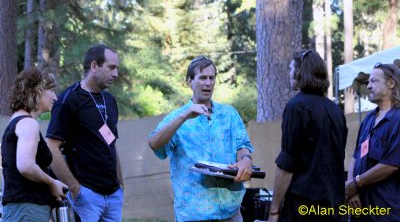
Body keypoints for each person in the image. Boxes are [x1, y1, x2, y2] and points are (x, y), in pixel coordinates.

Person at [148, 56, 254, 221]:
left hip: (230, 209)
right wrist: (185, 115)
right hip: (194, 212)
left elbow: (242, 145)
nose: (208, 83)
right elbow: (154, 143)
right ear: (189, 81)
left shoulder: (229, 114)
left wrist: (246, 160)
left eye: (211, 78)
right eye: (202, 78)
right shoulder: (177, 117)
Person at [46, 44, 123, 221]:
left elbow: (111, 142)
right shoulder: (69, 99)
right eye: (111, 67)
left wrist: (120, 183)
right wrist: (74, 188)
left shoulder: (110, 100)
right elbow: (51, 146)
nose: (116, 74)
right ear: (94, 66)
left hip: (113, 195)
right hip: (86, 196)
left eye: (116, 68)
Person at [268, 50, 348, 222]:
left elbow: (287, 163)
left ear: (299, 72)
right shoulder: (335, 110)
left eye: (291, 69)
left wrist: (274, 210)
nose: (289, 74)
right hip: (334, 207)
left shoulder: (296, 107)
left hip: (304, 207)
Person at [1, 68, 67, 221]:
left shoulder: (17, 121)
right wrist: (52, 183)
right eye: (51, 90)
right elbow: (25, 165)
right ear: (37, 90)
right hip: (28, 210)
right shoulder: (28, 124)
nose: (55, 98)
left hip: (22, 209)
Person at [346, 63, 400, 222]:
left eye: (374, 81)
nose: (368, 86)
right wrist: (352, 190)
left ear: (391, 84)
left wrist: (356, 183)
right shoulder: (368, 119)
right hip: (360, 209)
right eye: (368, 82)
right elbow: (355, 156)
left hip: (386, 211)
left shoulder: (397, 119)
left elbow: (391, 164)